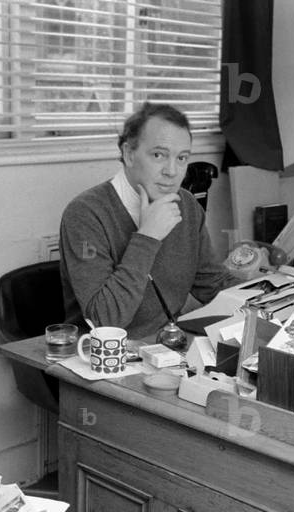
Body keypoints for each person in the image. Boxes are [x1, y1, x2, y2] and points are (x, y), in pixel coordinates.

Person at [59, 102, 238, 339]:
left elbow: (211, 282)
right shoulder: (85, 214)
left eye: (182, 158)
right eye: (158, 155)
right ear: (129, 154)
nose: (172, 171)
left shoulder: (187, 206)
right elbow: (105, 321)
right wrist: (147, 237)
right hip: (101, 359)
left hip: (166, 349)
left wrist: (271, 296)